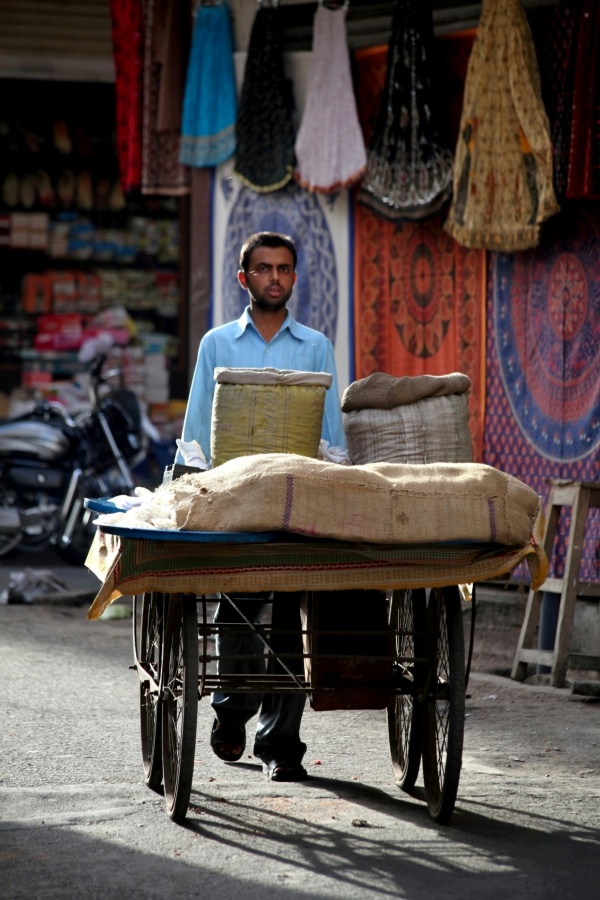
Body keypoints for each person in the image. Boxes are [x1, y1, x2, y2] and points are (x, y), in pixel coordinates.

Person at [177, 231, 346, 782]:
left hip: (297, 496)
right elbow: (198, 425)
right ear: (243, 277)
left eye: (285, 269)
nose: (275, 277)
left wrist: (338, 481)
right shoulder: (216, 344)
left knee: (289, 624)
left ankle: (281, 745)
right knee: (238, 605)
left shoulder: (316, 346)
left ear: (295, 278)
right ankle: (231, 711)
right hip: (235, 495)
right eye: (264, 268)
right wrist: (191, 487)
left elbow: (330, 433)